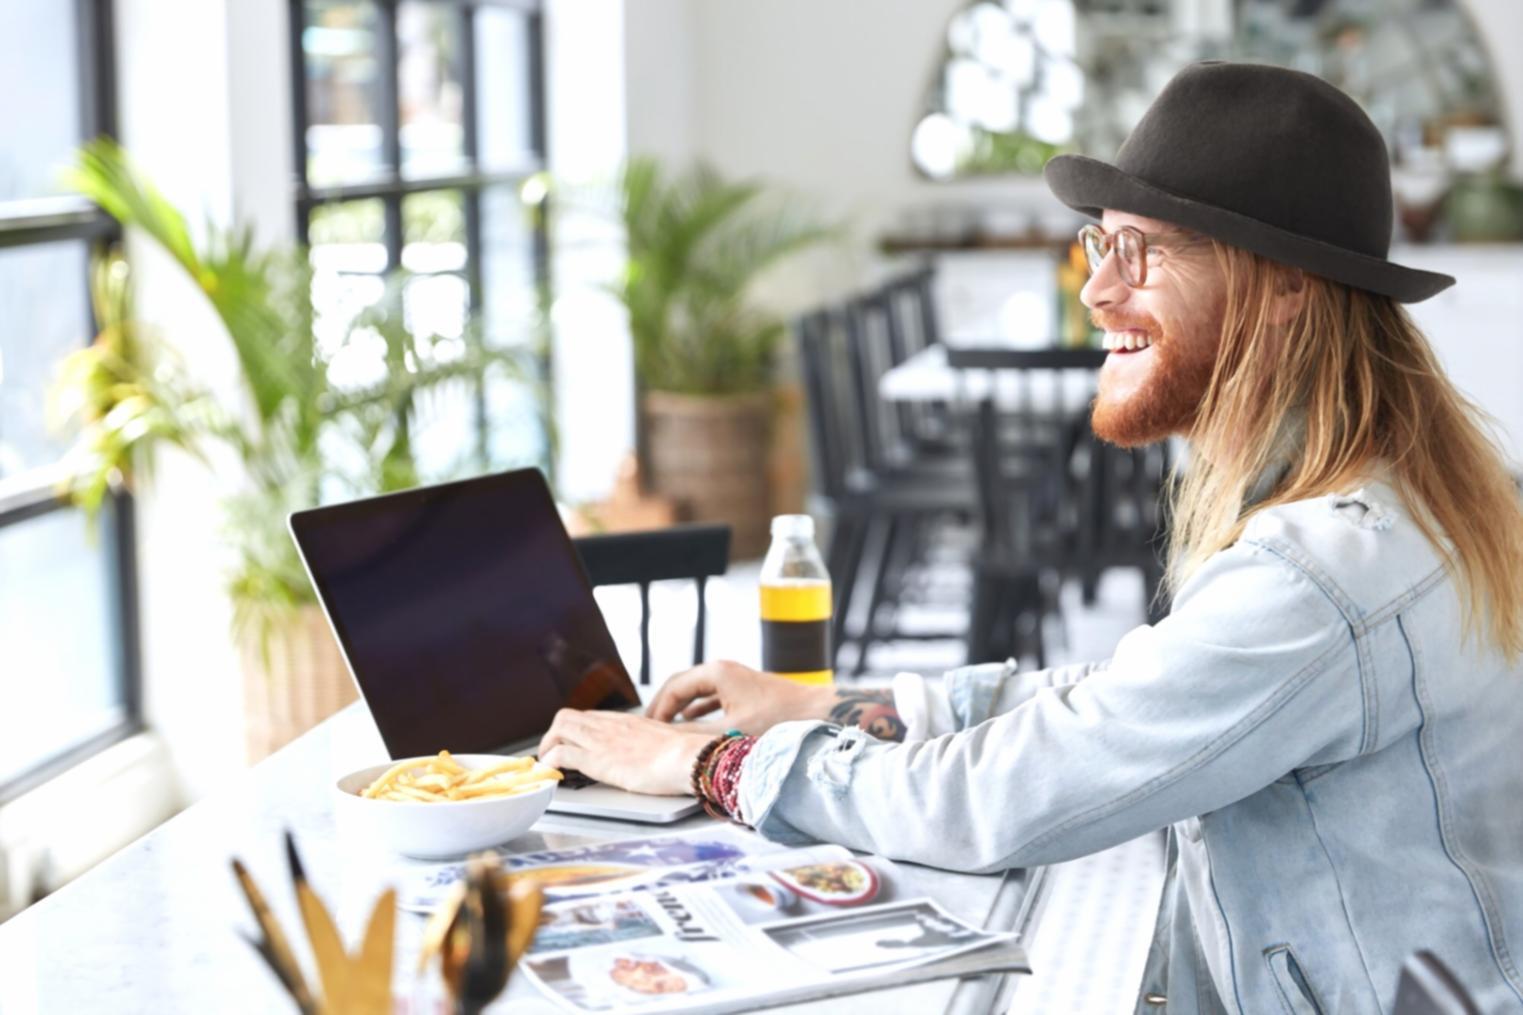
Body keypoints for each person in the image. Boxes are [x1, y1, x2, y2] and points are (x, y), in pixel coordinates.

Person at [540, 61, 1523, 1012]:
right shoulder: (1378, 492)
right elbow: (1114, 699)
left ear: (1283, 287)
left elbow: (1000, 798)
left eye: (1146, 248)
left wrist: (701, 763)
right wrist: (829, 701)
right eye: (1104, 241)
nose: (1097, 290)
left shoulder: (1315, 577)